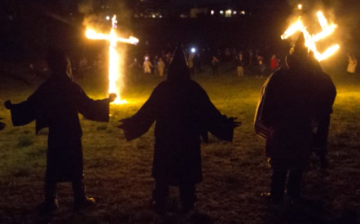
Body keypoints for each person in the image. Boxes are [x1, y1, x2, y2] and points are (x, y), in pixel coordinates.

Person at [118, 44, 239, 213]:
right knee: (186, 171)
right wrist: (224, 124)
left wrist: (132, 124)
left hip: (166, 138)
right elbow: (209, 113)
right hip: (187, 139)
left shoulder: (163, 89)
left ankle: (161, 199)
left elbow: (147, 113)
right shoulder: (193, 88)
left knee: (164, 170)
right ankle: (186, 200)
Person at [4, 48, 116, 214]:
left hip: (57, 133)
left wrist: (14, 108)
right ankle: (79, 198)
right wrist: (107, 101)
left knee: (55, 166)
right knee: (74, 165)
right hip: (70, 132)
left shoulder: (47, 87)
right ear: (65, 66)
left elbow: (30, 105)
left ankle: (52, 200)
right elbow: (89, 106)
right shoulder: (70, 87)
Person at [254, 35, 322, 203]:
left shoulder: (279, 77)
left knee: (282, 162)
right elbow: (321, 100)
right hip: (301, 126)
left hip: (283, 126)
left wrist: (269, 122)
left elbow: (268, 101)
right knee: (296, 160)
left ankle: (278, 194)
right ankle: (293, 192)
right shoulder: (312, 77)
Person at [309, 52, 336, 169]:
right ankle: (321, 158)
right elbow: (333, 91)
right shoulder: (325, 76)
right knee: (321, 134)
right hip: (322, 111)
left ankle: (316, 157)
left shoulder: (307, 78)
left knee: (310, 133)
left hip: (313, 111)